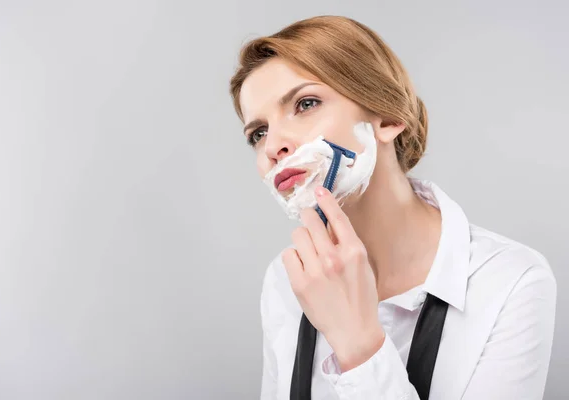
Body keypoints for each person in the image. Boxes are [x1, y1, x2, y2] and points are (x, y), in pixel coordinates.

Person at [229, 15, 556, 399]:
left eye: (306, 103)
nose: (272, 148)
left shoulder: (509, 281)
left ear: (388, 117)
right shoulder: (287, 281)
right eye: (259, 132)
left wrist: (358, 347)